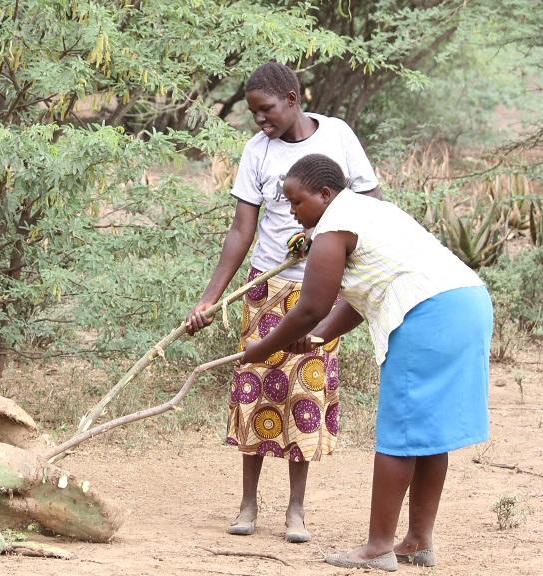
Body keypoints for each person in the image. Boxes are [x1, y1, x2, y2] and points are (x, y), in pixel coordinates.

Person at [241, 153, 491, 571]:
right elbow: (361, 297)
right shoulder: (370, 211)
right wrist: (319, 337)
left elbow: (311, 306)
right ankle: (417, 541)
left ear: (325, 194)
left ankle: (378, 547)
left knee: (400, 433)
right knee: (428, 435)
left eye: (297, 201)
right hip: (467, 303)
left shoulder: (334, 227)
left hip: (427, 315)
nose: (292, 211)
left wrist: (264, 347)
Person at [185, 61, 380, 543]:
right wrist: (210, 300)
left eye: (266, 109)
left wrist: (333, 244)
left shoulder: (337, 136)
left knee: (304, 394)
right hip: (265, 287)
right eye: (253, 112)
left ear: (292, 99)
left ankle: (296, 510)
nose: (260, 120)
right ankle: (248, 504)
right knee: (254, 388)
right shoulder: (257, 150)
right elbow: (241, 230)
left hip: (322, 291)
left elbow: (371, 207)